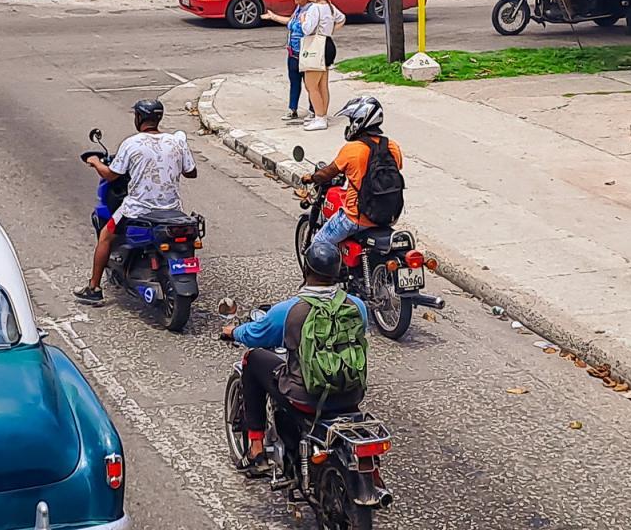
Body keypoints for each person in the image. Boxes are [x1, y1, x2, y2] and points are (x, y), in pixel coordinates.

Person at [221, 242, 368, 473]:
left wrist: (233, 332)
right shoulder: (357, 306)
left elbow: (255, 335)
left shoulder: (289, 311)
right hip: (351, 394)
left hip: (305, 398)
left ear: (306, 270)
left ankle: (256, 449)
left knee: (253, 359)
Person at [76, 100, 197, 305]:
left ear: (139, 118)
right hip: (172, 210)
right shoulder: (176, 142)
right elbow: (191, 172)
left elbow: (111, 174)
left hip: (138, 209)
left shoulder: (132, 143)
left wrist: (95, 161)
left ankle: (94, 287)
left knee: (105, 236)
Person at [302, 96, 403, 248]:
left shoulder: (353, 149)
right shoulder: (392, 146)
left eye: (351, 121)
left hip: (356, 218)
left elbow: (328, 173)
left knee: (319, 243)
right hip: (389, 216)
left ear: (359, 121)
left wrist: (311, 178)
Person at [262, 0, 313, 122]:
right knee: (294, 82)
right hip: (293, 52)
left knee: (310, 84)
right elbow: (290, 22)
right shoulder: (298, 9)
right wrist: (273, 17)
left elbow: (307, 29)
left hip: (305, 53)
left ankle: (313, 110)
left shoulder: (311, 10)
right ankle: (292, 109)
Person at [299, 0, 345, 131]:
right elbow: (341, 18)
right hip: (328, 43)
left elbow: (307, 29)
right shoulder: (329, 6)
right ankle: (322, 114)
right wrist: (330, 30)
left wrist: (303, 20)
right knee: (322, 84)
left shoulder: (314, 8)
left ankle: (319, 117)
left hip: (317, 47)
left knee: (311, 85)